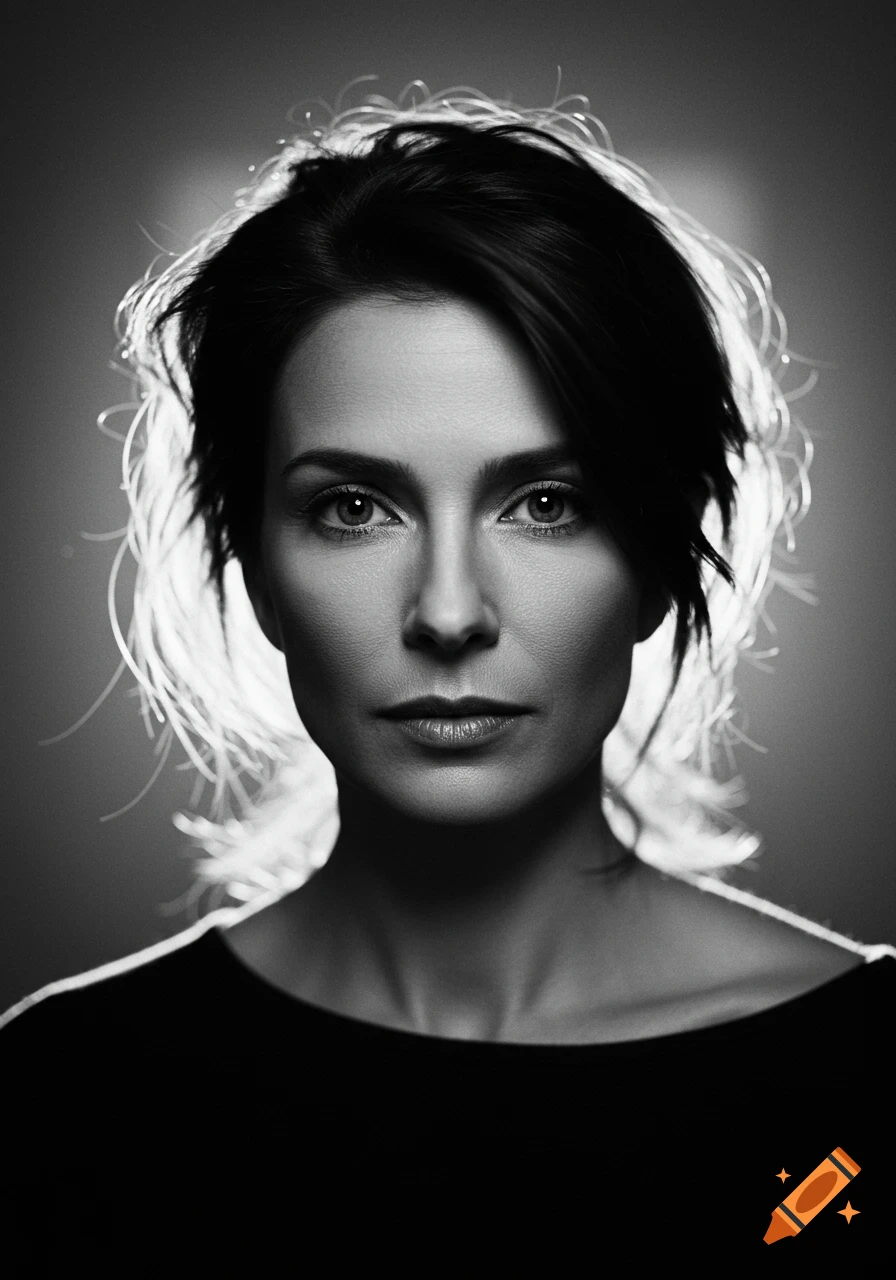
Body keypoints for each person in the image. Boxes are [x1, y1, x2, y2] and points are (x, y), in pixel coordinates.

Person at [3, 83, 892, 1265]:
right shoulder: (66, 1093)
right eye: (352, 507)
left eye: (546, 503)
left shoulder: (869, 1076)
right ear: (250, 565)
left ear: (663, 557)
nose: (449, 613)